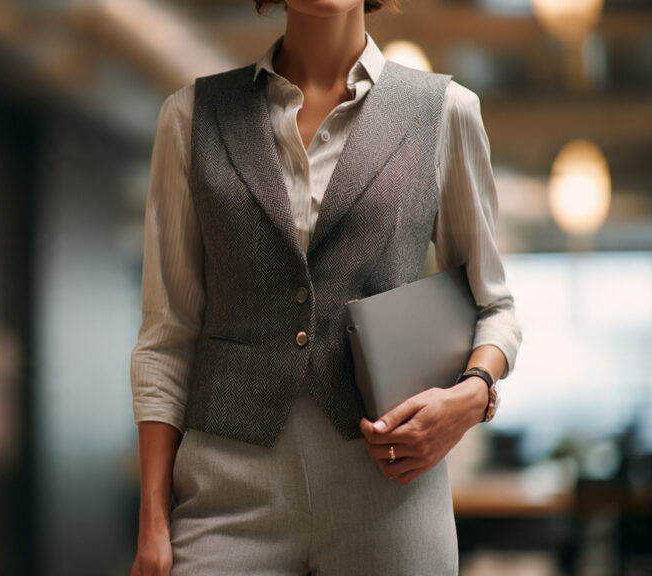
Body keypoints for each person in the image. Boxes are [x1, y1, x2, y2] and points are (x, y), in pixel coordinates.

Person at [129, 0, 523, 574]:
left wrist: (471, 397)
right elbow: (167, 338)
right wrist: (153, 525)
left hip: (389, 486)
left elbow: (495, 307)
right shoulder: (190, 118)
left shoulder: (446, 112)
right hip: (226, 488)